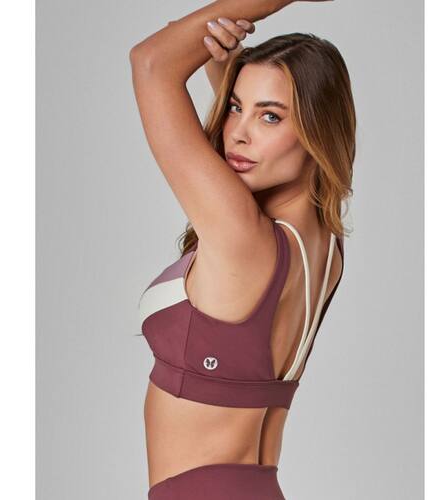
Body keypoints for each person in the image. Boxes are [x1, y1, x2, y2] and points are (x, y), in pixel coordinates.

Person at [130, 1, 355, 498]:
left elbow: (151, 62)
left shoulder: (242, 239)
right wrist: (223, 65)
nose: (238, 133)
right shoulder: (323, 245)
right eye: (236, 107)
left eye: (270, 116)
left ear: (317, 132)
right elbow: (257, 143)